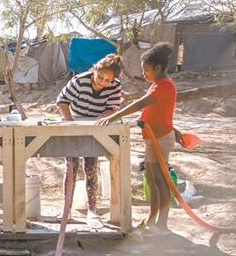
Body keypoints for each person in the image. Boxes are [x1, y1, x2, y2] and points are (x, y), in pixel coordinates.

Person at [97, 43, 182, 232]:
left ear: (158, 68)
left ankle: (162, 224)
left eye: (146, 70)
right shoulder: (158, 85)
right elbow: (159, 111)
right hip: (154, 137)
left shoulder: (163, 86)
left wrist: (113, 116)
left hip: (160, 138)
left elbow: (139, 104)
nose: (144, 74)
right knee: (152, 180)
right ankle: (153, 219)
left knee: (160, 180)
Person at [56, 53, 123, 224]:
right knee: (71, 166)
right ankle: (67, 209)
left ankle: (92, 209)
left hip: (96, 127)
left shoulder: (115, 86)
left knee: (91, 167)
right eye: (100, 77)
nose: (103, 82)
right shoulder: (79, 81)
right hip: (75, 124)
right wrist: (70, 123)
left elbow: (113, 108)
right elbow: (62, 101)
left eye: (108, 80)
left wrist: (102, 119)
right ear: (94, 69)